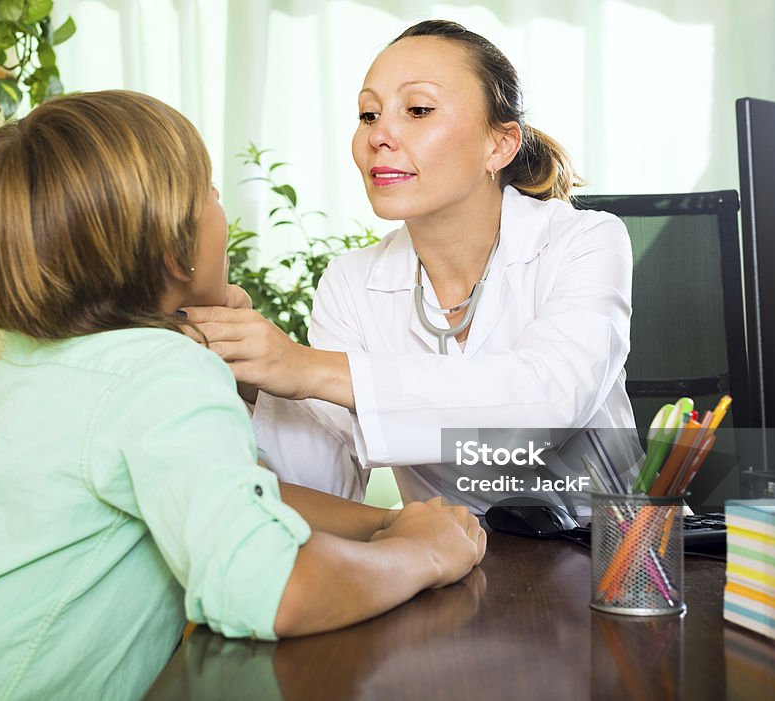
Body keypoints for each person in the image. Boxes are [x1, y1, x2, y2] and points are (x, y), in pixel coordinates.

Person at [0, 90, 486, 700]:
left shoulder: (36, 361)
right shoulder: (159, 373)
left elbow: (240, 492)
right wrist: (420, 554)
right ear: (175, 249)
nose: (222, 208)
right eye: (210, 194)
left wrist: (385, 521)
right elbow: (269, 589)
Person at [185, 20, 639, 515]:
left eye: (418, 110)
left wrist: (304, 366)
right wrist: (250, 379)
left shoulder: (584, 240)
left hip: (616, 553)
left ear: (500, 144)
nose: (379, 135)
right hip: (459, 564)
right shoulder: (351, 282)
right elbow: (325, 483)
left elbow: (548, 406)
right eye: (367, 114)